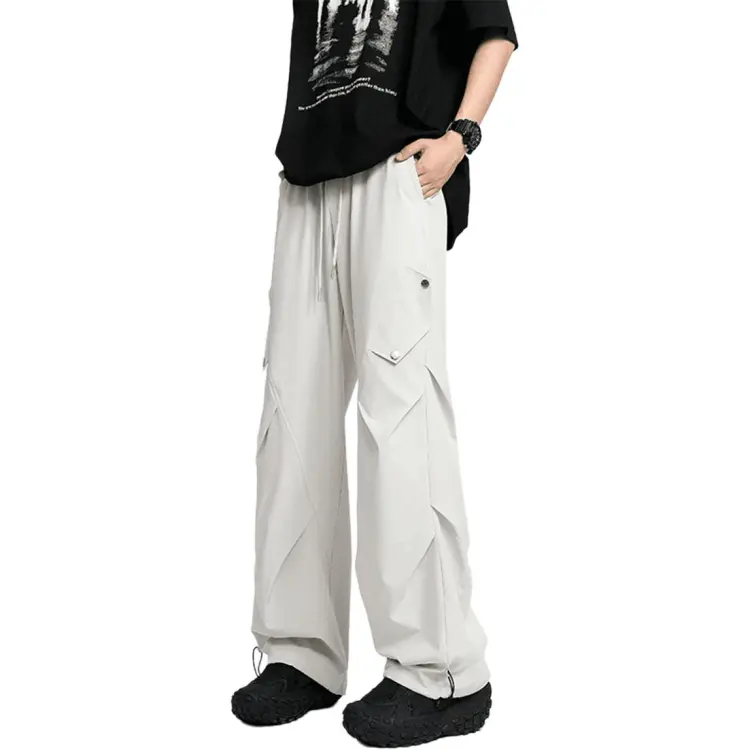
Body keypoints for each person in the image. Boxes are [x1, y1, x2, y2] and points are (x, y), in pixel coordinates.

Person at [231, 1, 517, 745]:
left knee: (401, 413)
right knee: (292, 415)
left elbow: (495, 34)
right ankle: (302, 654)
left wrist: (460, 140)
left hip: (399, 174)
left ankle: (441, 673)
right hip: (307, 182)